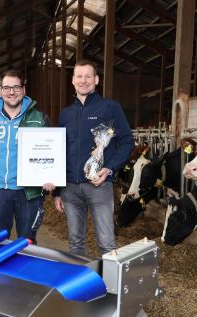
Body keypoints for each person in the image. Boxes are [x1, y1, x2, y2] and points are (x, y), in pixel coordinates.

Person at [53, 59, 134, 256]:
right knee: (75, 244)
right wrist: (56, 192)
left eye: (88, 76)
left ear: (96, 80)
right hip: (70, 188)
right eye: (79, 76)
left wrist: (110, 168)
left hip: (99, 185)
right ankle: (82, 286)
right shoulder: (65, 115)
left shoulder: (110, 108)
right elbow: (58, 151)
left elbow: (127, 142)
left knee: (106, 242)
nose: (83, 80)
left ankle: (111, 287)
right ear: (73, 80)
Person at [0, 69, 53, 243]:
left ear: (23, 89)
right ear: (0, 90)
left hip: (28, 191)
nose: (11, 92)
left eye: (16, 87)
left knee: (28, 243)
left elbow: (51, 152)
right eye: (7, 87)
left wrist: (50, 176)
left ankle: (27, 269)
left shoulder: (39, 118)